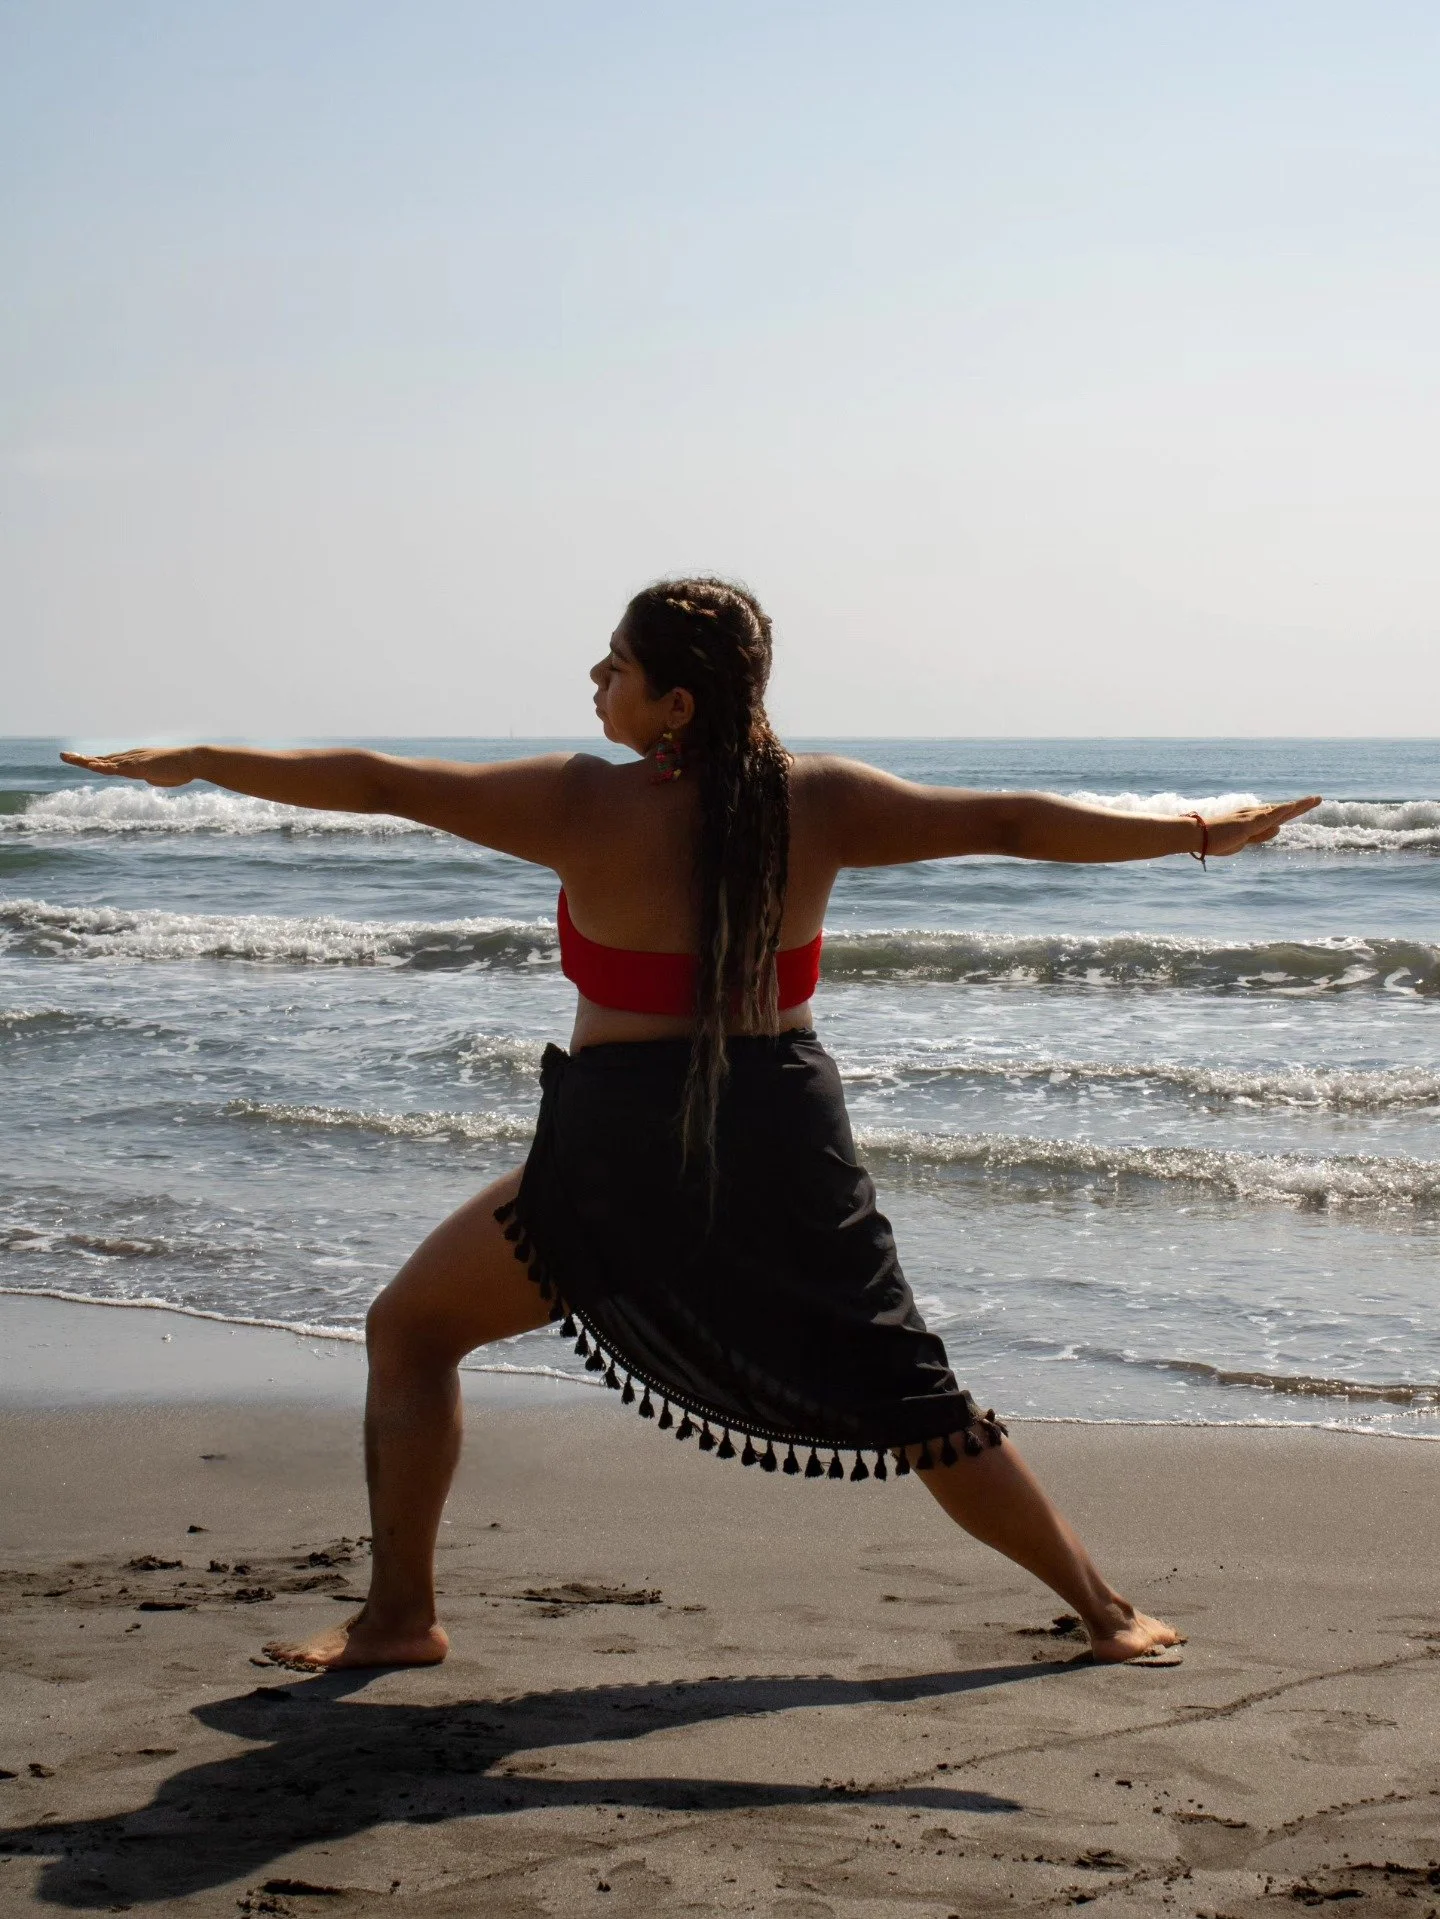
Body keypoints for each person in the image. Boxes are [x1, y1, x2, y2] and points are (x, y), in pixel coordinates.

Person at [63, 577, 1320, 1675]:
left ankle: (401, 1617)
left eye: (617, 662)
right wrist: (1198, 830)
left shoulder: (576, 801)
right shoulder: (820, 798)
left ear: (675, 703)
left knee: (412, 1329)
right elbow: (1008, 820)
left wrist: (205, 760)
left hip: (618, 1142)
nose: (595, 677)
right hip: (780, 1124)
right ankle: (1103, 1611)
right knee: (906, 1384)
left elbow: (385, 784)